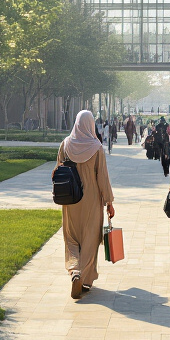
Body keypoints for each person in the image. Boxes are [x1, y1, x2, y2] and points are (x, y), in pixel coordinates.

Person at [57, 111, 116, 299]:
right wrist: (109, 202)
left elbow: (57, 169)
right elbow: (102, 177)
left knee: (72, 238)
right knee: (90, 239)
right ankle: (85, 278)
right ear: (91, 125)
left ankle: (74, 271)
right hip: (91, 200)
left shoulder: (65, 144)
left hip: (70, 199)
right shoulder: (96, 147)